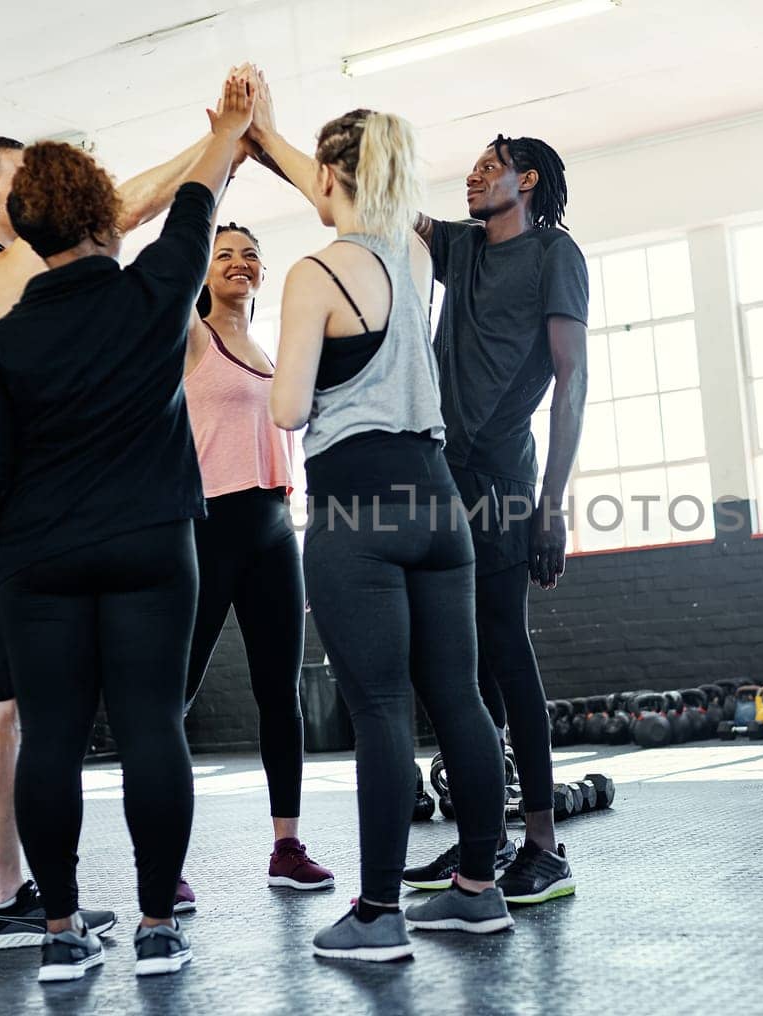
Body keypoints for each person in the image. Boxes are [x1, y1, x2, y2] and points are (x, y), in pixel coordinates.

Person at [0, 70, 256, 981]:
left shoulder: (2, 344)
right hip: (154, 545)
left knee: (51, 737)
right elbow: (198, 206)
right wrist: (230, 129)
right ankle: (159, 926)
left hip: (37, 565)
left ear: (29, 231)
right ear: (103, 216)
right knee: (153, 726)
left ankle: (60, 931)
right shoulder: (154, 289)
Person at [252, 96, 512, 961]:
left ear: (331, 178)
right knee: (462, 699)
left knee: (382, 708)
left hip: (357, 511)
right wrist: (266, 140)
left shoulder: (313, 273)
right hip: (440, 504)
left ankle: (377, 914)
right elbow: (352, 199)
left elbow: (289, 406)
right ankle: (479, 889)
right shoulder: (414, 254)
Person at [402, 134, 590, 904]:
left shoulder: (555, 255)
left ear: (529, 178)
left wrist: (552, 503)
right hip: (442, 477)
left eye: (491, 164)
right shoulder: (463, 247)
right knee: (457, 663)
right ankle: (482, 836)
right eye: (472, 165)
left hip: (507, 478)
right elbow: (376, 201)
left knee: (507, 654)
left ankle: (544, 848)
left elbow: (572, 381)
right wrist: (264, 142)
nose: (473, 174)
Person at [176, 223, 333, 910]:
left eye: (250, 256)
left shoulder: (273, 353)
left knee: (281, 696)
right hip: (207, 529)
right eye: (225, 255)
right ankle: (166, 859)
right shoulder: (190, 335)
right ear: (205, 273)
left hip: (274, 530)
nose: (240, 264)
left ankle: (287, 847)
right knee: (171, 699)